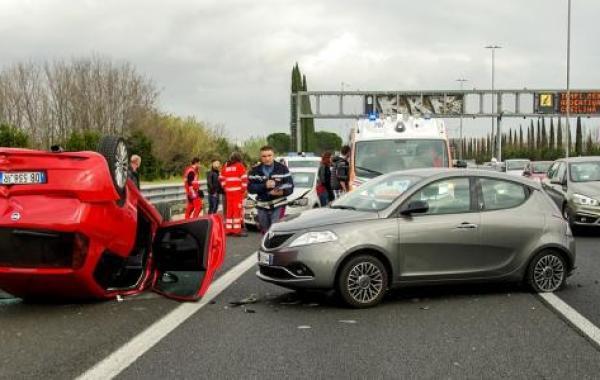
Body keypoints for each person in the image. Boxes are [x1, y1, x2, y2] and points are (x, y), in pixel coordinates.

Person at [248, 145, 294, 233]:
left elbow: (290, 186)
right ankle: (266, 246)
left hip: (278, 204)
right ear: (260, 157)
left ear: (274, 156)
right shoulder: (254, 170)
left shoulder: (282, 168)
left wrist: (282, 192)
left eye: (269, 155)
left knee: (275, 229)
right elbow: (250, 188)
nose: (267, 158)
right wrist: (264, 185)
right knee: (265, 231)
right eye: (264, 156)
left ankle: (276, 246)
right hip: (262, 205)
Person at [219, 152, 248, 236]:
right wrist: (243, 189)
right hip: (237, 192)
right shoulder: (240, 166)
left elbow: (221, 178)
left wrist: (225, 187)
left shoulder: (226, 166)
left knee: (229, 211)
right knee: (237, 211)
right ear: (239, 158)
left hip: (229, 192)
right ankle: (236, 230)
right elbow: (244, 178)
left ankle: (228, 230)